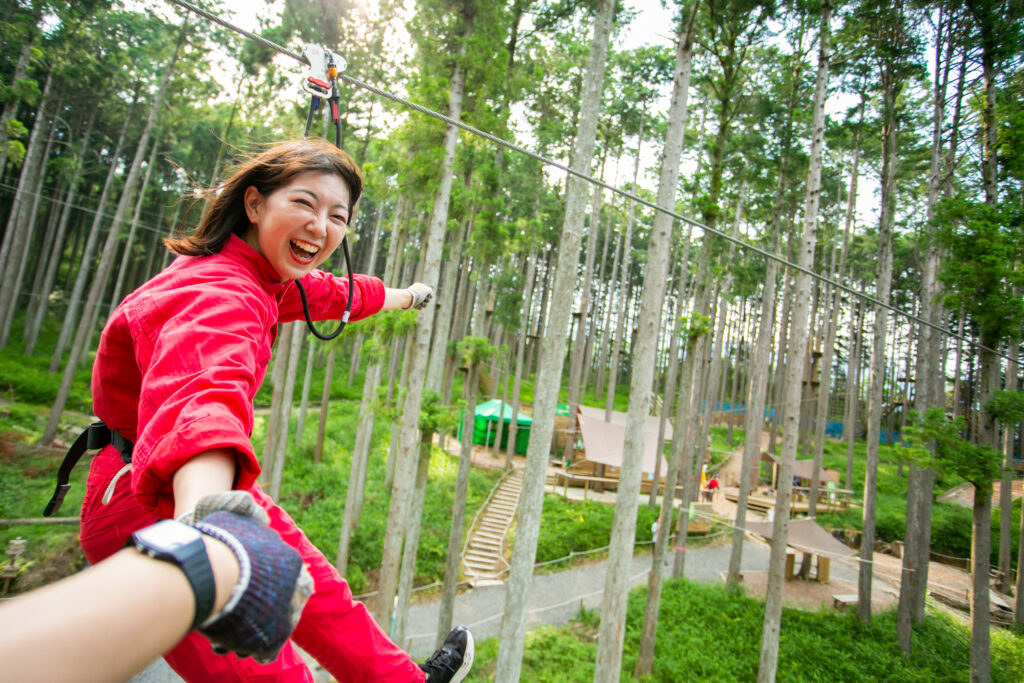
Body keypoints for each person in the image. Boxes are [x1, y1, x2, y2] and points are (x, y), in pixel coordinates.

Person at [69, 140, 472, 683]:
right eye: (304, 203)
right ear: (255, 204)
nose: (321, 226)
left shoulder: (257, 273)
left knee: (321, 592)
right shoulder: (220, 292)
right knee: (271, 673)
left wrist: (406, 296)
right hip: (150, 502)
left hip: (186, 488)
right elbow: (200, 397)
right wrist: (210, 528)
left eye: (337, 216)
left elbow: (332, 294)